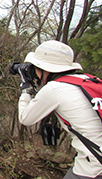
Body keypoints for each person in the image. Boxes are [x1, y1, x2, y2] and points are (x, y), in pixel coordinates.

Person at [18, 40, 102, 178]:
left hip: (93, 167)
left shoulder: (54, 89)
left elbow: (25, 118)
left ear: (43, 68)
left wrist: (26, 90)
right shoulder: (89, 80)